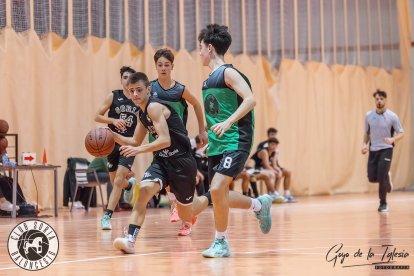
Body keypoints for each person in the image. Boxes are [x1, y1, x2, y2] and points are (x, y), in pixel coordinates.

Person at [112, 72, 272, 254]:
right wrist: (111, 136)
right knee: (144, 191)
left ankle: (223, 197)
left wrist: (139, 150)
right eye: (131, 91)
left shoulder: (154, 107)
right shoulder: (142, 113)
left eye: (138, 90)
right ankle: (130, 240)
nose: (134, 95)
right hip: (162, 162)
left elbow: (165, 140)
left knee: (188, 213)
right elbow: (134, 141)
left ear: (148, 89)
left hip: (182, 164)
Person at [198, 24, 273, 258]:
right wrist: (211, 140)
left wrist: (229, 123)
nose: (198, 52)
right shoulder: (207, 80)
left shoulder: (228, 73)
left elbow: (250, 100)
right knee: (218, 195)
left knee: (218, 188)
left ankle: (221, 242)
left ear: (210, 48)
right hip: (218, 143)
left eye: (200, 47)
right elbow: (216, 114)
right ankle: (259, 205)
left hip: (236, 140)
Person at [150, 48, 208, 222]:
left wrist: (201, 130)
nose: (163, 68)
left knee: (181, 181)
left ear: (172, 66)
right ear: (156, 66)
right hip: (158, 139)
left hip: (178, 140)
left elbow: (197, 105)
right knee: (164, 174)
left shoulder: (179, 89)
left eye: (166, 65)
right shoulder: (150, 87)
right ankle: (175, 207)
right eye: (160, 65)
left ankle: (187, 213)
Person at [95, 66, 138, 230]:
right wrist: (112, 121)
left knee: (118, 180)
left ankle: (107, 216)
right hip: (111, 144)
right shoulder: (114, 96)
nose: (128, 80)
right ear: (121, 79)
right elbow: (97, 116)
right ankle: (130, 185)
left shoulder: (138, 99)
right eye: (125, 77)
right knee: (116, 182)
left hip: (128, 144)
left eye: (131, 77)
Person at [361, 89, 404, 212]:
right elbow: (367, 133)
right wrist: (364, 144)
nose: (379, 101)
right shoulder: (369, 115)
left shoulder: (392, 116)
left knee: (381, 177)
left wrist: (393, 139)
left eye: (381, 99)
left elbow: (402, 133)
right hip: (373, 150)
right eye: (377, 99)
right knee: (372, 178)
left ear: (385, 100)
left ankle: (383, 203)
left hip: (386, 149)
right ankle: (387, 179)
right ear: (374, 100)